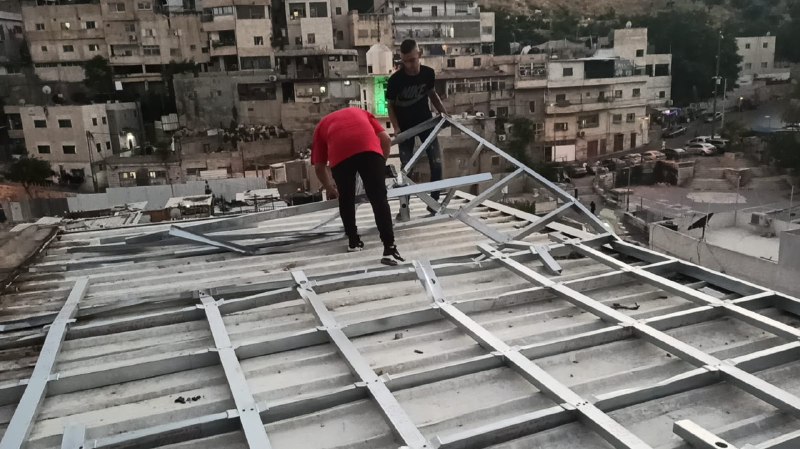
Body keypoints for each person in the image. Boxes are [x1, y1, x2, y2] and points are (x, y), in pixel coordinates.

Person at [311, 107, 405, 266]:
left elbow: (319, 167)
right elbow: (386, 139)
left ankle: (353, 242)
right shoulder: (361, 112)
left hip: (340, 155)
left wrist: (329, 188)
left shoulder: (321, 126)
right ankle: (389, 246)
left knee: (346, 198)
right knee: (379, 199)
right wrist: (380, 166)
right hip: (369, 150)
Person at [387, 39, 448, 213]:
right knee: (407, 167)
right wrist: (396, 128)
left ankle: (434, 202)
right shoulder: (396, 80)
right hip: (405, 127)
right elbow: (390, 106)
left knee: (436, 163)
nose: (409, 65)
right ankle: (404, 206)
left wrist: (444, 114)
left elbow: (432, 94)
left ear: (419, 55)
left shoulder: (428, 73)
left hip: (425, 122)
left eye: (412, 60)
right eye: (405, 61)